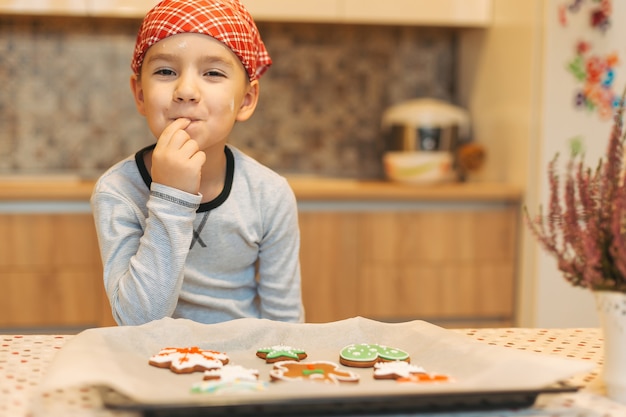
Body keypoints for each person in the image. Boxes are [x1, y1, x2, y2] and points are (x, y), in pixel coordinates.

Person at [90, 0, 304, 326]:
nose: (186, 91)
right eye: (165, 71)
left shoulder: (269, 194)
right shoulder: (117, 190)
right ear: (140, 95)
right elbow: (137, 320)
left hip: (240, 369)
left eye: (213, 73)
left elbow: (284, 323)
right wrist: (170, 196)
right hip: (149, 367)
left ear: (246, 100)